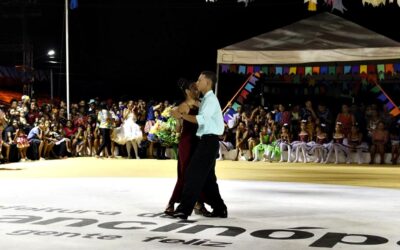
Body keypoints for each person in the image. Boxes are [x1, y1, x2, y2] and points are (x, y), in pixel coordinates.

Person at [170, 71, 227, 220]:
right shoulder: (207, 99)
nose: (197, 82)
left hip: (208, 142)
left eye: (199, 80)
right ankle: (220, 209)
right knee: (208, 179)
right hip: (208, 141)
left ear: (207, 83)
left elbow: (201, 120)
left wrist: (181, 115)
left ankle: (184, 210)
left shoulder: (210, 100)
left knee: (192, 174)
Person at [164, 79, 210, 217]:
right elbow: (178, 129)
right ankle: (172, 202)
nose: (197, 90)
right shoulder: (184, 106)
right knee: (185, 173)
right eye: (193, 88)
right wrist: (176, 117)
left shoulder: (202, 104)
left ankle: (198, 203)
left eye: (197, 88)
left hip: (199, 141)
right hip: (187, 142)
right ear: (187, 91)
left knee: (198, 174)